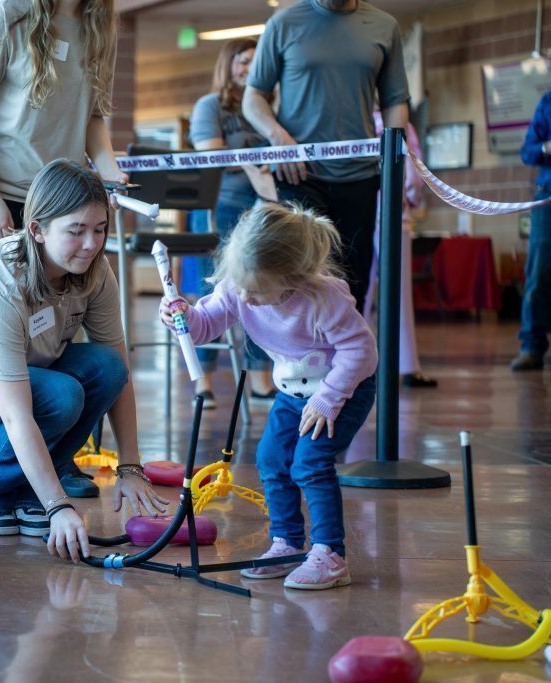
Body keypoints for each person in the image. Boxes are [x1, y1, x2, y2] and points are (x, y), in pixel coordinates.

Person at [0, 159, 168, 562]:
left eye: (99, 230)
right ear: (37, 230)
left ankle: (27, 490)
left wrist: (131, 466)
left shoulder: (94, 269)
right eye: (76, 232)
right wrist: (59, 506)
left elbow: (119, 369)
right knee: (59, 395)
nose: (92, 244)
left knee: (107, 368)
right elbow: (16, 412)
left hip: (24, 378)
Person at [159, 203, 378, 589]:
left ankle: (330, 554)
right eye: (240, 285)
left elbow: (362, 352)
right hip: (295, 392)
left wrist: (329, 397)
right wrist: (183, 315)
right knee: (271, 458)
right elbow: (205, 326)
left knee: (309, 463)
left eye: (256, 289)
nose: (245, 296)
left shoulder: (323, 299)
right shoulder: (238, 287)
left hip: (342, 389)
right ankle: (287, 543)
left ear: (291, 277)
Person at [242, 0, 410, 313]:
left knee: (351, 277)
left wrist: (394, 160)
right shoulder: (284, 24)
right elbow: (252, 98)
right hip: (298, 173)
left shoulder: (385, 26)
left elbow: (395, 101)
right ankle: (300, 358)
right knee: (295, 275)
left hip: (360, 174)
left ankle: (350, 357)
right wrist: (279, 138)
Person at [0, 0, 127, 257]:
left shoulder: (101, 28)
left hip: (59, 197)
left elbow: (92, 115)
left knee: (56, 297)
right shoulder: (4, 14)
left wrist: (112, 174)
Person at [188, 36, 277, 407]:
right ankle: (202, 383)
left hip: (262, 211)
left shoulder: (267, 108)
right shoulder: (210, 106)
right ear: (228, 64)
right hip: (219, 208)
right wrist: (251, 166)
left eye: (256, 63)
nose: (248, 69)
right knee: (213, 297)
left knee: (262, 293)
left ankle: (260, 382)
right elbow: (209, 156)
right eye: (243, 61)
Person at [362, 112, 438, 388]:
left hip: (362, 207)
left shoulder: (353, 118)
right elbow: (413, 173)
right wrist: (410, 196)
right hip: (391, 209)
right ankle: (405, 366)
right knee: (398, 291)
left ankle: (355, 363)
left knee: (358, 291)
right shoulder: (399, 121)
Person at [514, 90, 551, 371]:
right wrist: (547, 148)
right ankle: (532, 346)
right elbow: (528, 151)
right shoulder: (547, 102)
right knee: (538, 270)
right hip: (548, 194)